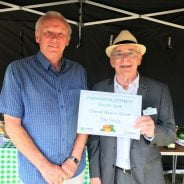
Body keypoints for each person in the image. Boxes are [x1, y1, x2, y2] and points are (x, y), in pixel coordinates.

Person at [0, 11, 88, 184]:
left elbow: (85, 120)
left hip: (73, 171)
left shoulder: (78, 72)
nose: (54, 39)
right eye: (48, 32)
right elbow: (11, 125)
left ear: (68, 40)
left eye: (60, 34)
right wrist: (44, 166)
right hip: (36, 174)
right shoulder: (18, 71)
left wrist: (74, 160)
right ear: (37, 36)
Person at [87, 30, 176, 184]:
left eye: (131, 53)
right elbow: (94, 137)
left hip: (147, 176)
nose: (125, 58)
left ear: (139, 59)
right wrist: (95, 175)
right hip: (110, 175)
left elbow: (170, 133)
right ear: (112, 61)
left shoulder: (159, 90)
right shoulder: (99, 89)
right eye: (119, 54)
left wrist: (152, 131)